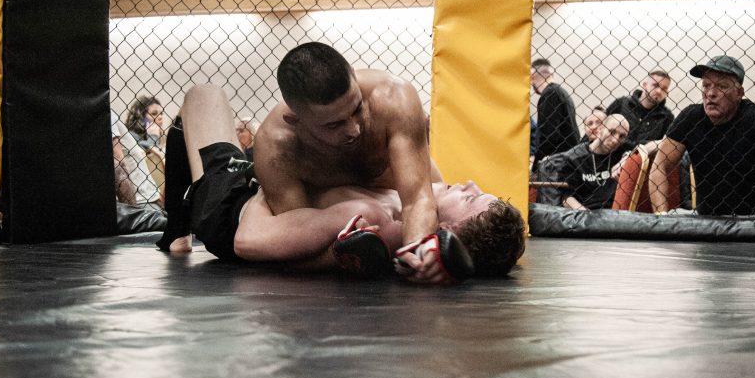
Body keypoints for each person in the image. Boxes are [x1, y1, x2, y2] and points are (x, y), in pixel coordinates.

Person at [160, 84, 526, 279]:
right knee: (188, 124)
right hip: (258, 191)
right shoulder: (423, 185)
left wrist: (271, 179)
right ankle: (175, 233)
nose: (471, 184)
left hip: (232, 205)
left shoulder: (375, 222)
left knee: (203, 95)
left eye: (471, 199)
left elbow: (249, 239)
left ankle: (183, 221)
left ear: (445, 230)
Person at [252, 42, 451, 284]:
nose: (354, 129)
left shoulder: (393, 97)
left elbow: (418, 197)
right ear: (296, 121)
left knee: (448, 213)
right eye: (334, 125)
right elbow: (299, 238)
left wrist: (418, 251)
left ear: (355, 81)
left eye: (357, 108)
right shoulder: (276, 145)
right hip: (346, 216)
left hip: (403, 196)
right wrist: (348, 252)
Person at [649, 55, 755, 216]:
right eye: (706, 85)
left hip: (751, 220)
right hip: (705, 219)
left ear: (739, 93)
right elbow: (659, 165)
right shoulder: (691, 117)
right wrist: (661, 217)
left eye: (722, 86)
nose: (711, 93)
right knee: (675, 216)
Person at [537, 114, 631, 210]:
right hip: (584, 214)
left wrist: (627, 157)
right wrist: (587, 217)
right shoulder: (575, 157)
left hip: (613, 214)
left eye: (622, 136)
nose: (615, 140)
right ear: (600, 129)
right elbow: (566, 199)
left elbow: (644, 147)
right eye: (612, 132)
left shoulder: (621, 150)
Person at [606, 69, 675, 148]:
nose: (659, 91)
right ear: (645, 85)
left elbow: (664, 146)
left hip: (644, 159)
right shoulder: (621, 103)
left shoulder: (667, 117)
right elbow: (602, 127)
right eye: (655, 85)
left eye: (664, 89)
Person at [111, 110, 162, 210]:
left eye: (161, 113)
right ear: (141, 117)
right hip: (138, 200)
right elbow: (144, 153)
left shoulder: (162, 136)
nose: (160, 117)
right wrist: (153, 138)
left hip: (150, 196)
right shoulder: (133, 134)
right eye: (154, 113)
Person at [531, 58, 578, 165]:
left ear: (532, 77)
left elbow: (548, 137)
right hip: (567, 160)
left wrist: (536, 168)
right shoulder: (563, 93)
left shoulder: (549, 94)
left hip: (556, 164)